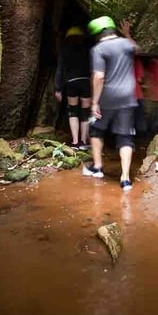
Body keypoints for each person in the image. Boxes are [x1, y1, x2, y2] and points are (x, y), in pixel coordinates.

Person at [85, 16, 138, 191]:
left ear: (98, 34)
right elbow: (137, 49)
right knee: (125, 137)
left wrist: (95, 102)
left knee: (96, 129)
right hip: (128, 96)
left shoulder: (99, 49)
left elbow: (99, 77)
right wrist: (127, 34)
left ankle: (98, 167)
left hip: (107, 97)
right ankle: (125, 179)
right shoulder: (126, 44)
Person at [55, 26, 92, 150]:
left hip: (71, 82)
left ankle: (75, 142)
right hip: (85, 81)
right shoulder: (87, 50)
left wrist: (58, 89)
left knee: (73, 112)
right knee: (85, 113)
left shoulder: (64, 50)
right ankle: (84, 141)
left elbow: (60, 69)